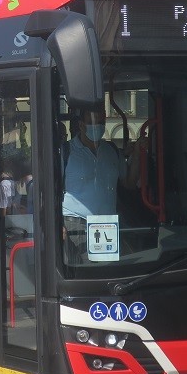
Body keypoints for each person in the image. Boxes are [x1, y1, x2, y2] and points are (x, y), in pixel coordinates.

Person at [61, 106, 126, 263]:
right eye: (92, 122)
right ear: (82, 125)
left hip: (108, 225)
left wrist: (138, 153)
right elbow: (49, 189)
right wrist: (57, 224)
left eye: (101, 122)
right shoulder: (65, 151)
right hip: (75, 225)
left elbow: (129, 182)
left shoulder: (112, 150)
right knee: (79, 274)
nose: (98, 126)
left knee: (106, 272)